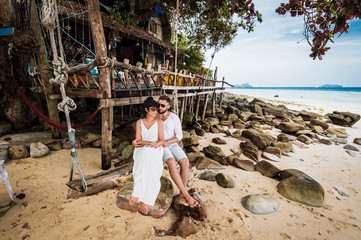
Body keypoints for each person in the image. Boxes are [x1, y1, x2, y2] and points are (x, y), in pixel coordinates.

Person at [157, 95, 198, 207]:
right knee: (171, 162)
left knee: (185, 162)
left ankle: (181, 196)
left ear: (168, 106)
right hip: (161, 145)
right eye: (158, 104)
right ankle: (186, 195)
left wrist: (168, 142)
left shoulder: (174, 118)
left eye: (162, 105)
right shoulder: (155, 116)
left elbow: (179, 136)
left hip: (171, 143)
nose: (159, 107)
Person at [129, 97, 164, 215]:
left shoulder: (159, 122)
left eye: (156, 109)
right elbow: (138, 140)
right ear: (146, 109)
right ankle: (138, 195)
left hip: (155, 150)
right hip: (142, 150)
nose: (155, 111)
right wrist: (148, 143)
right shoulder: (139, 122)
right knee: (144, 154)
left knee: (151, 172)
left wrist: (152, 145)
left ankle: (142, 199)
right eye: (153, 109)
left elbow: (161, 140)